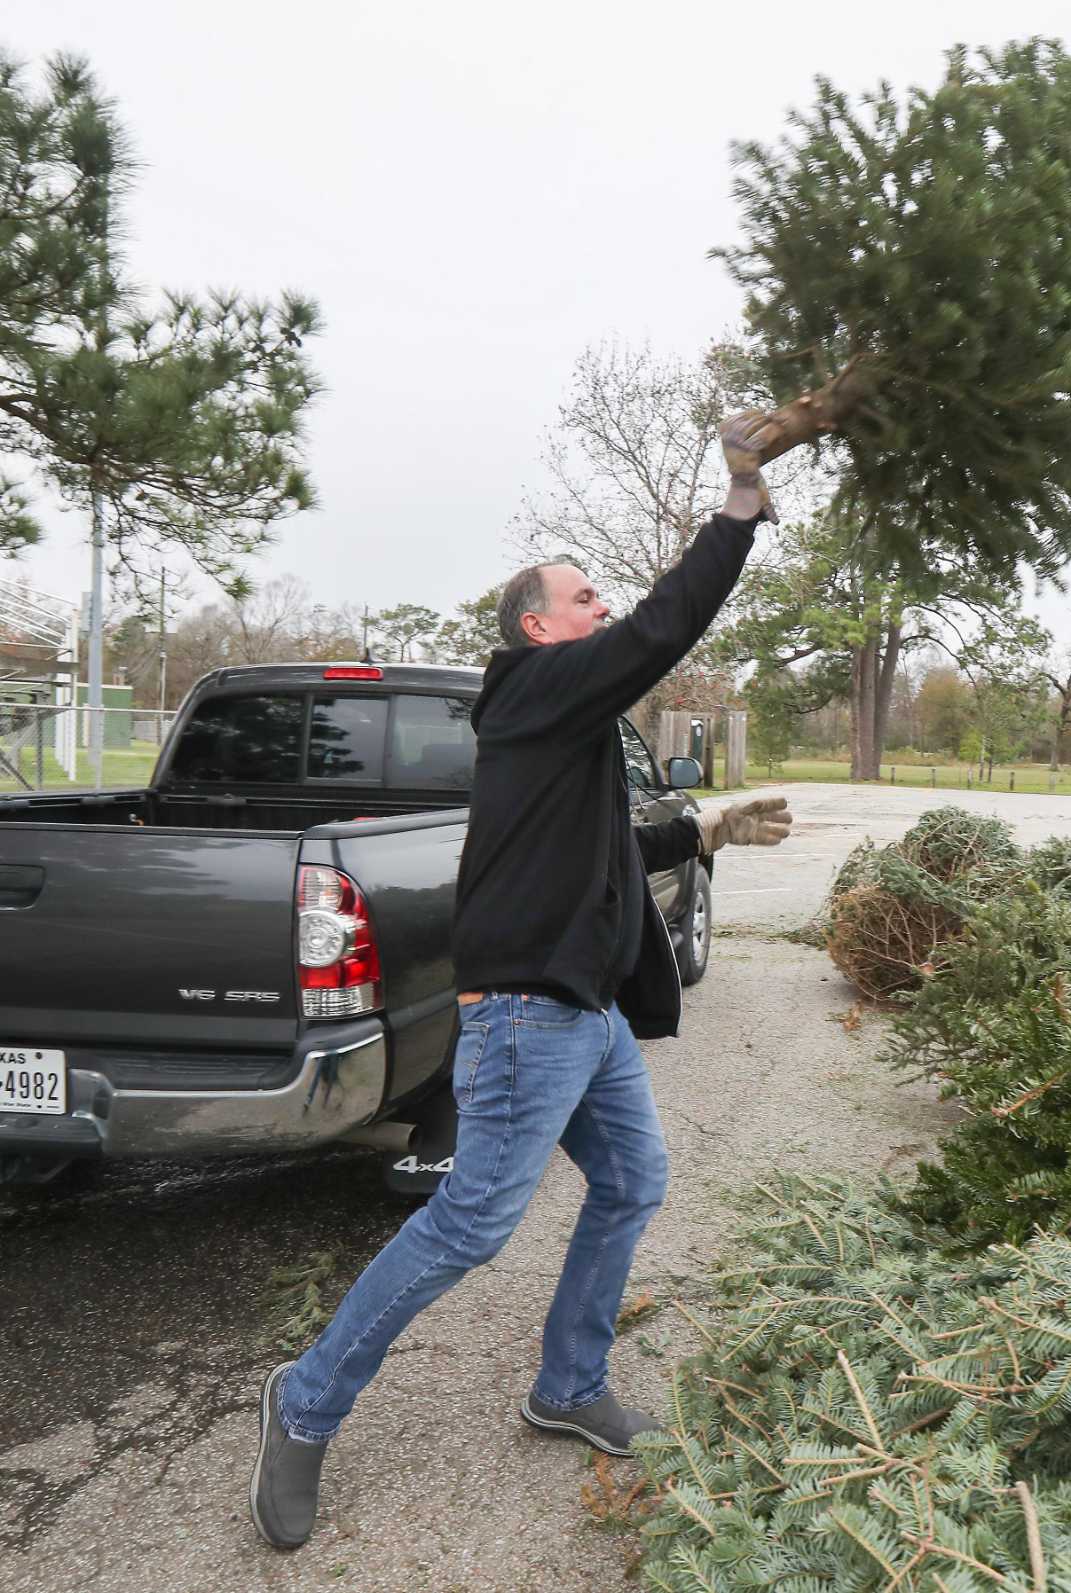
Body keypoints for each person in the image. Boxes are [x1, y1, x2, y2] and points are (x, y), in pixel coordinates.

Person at [250, 413, 794, 1551]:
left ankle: (567, 1383)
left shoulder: (573, 735)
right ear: (539, 627)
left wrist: (703, 830)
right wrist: (736, 508)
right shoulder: (528, 688)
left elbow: (596, 854)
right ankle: (303, 1403)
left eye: (600, 598)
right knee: (472, 1225)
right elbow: (659, 629)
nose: (602, 611)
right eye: (583, 598)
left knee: (632, 1181)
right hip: (524, 1016)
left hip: (583, 1015)